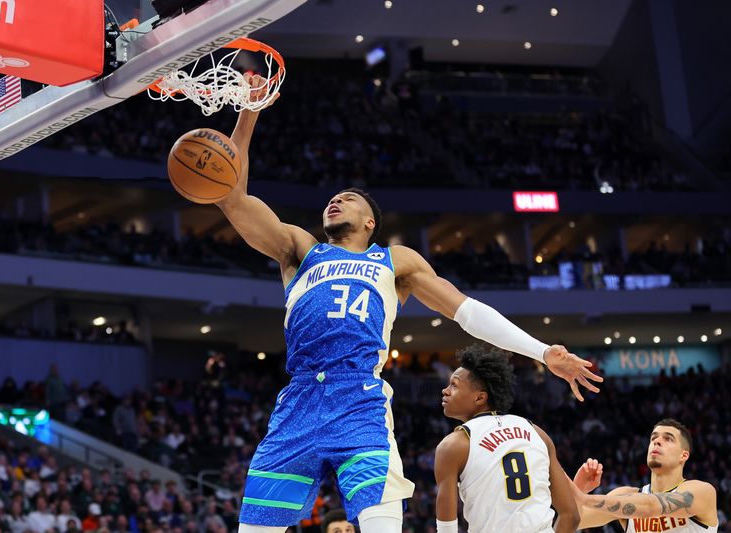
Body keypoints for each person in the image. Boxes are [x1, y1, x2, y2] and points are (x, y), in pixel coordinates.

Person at [219, 75, 602, 533]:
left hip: (358, 400)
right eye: (333, 198)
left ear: (370, 222)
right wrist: (248, 113)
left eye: (350, 199)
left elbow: (465, 310)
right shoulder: (299, 250)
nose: (336, 200)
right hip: (297, 402)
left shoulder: (393, 261)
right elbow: (232, 197)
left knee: (382, 524)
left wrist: (543, 352)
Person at [434, 345, 579, 533]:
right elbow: (571, 516)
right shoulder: (537, 432)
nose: (445, 391)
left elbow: (447, 530)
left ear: (480, 398)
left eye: (454, 385)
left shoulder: (454, 445)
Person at [569, 418, 718, 532]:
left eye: (668, 439)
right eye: (654, 438)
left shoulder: (702, 492)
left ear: (683, 455)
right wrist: (579, 490)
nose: (657, 442)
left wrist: (584, 498)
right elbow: (574, 522)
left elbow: (650, 506)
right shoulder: (625, 495)